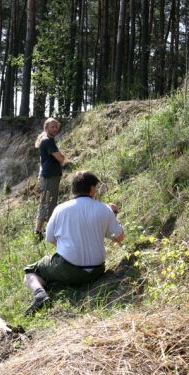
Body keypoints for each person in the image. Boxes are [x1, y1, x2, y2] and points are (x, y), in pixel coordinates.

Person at [23, 171, 125, 314]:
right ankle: (60, 285)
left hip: (67, 269)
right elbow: (119, 238)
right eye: (95, 187)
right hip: (97, 271)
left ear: (74, 189)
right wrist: (113, 215)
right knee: (60, 275)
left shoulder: (60, 209)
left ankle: (40, 294)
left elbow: (51, 239)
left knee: (30, 271)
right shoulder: (104, 209)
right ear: (91, 188)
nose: (96, 190)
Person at [35, 118, 65, 238]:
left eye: (56, 126)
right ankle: (40, 232)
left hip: (51, 175)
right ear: (46, 128)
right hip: (49, 176)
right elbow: (60, 158)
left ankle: (46, 232)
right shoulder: (47, 141)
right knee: (47, 203)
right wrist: (62, 157)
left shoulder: (48, 140)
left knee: (49, 203)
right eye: (52, 127)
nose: (55, 128)